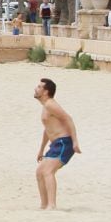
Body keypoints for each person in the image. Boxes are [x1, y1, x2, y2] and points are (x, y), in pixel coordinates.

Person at [33, 78, 81, 210]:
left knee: (48, 171)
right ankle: (44, 205)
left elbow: (68, 119)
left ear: (46, 91)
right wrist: (41, 149)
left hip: (64, 142)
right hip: (55, 144)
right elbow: (48, 130)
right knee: (39, 172)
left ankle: (52, 205)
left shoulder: (51, 105)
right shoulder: (45, 106)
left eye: (39, 87)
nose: (35, 89)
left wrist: (75, 142)